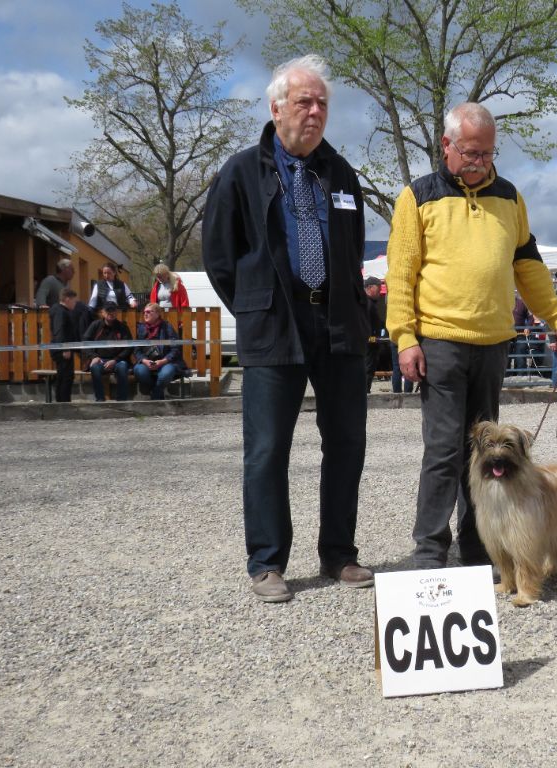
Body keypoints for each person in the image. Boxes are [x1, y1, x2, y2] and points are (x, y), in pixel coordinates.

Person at [202, 54, 373, 602]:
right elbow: (219, 257)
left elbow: (351, 249)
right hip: (275, 325)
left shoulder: (340, 172)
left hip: (338, 325)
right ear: (277, 108)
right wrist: (256, 306)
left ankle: (339, 555)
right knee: (268, 449)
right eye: (305, 102)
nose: (316, 112)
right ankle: (267, 562)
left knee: (346, 443)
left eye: (323, 103)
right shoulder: (240, 172)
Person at [385, 101, 557, 570]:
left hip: (493, 342)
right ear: (446, 146)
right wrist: (405, 338)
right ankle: (429, 549)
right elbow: (401, 272)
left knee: (487, 451)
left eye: (488, 154)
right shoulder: (418, 196)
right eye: (471, 152)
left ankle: (479, 549)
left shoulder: (510, 197)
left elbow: (527, 265)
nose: (480, 162)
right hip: (441, 343)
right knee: (444, 450)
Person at [83, 301, 134, 402]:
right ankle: (100, 399)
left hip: (118, 361)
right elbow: (85, 342)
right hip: (99, 360)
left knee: (123, 366)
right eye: (108, 310)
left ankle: (122, 400)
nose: (111, 313)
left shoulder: (123, 327)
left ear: (117, 312)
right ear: (102, 312)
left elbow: (129, 347)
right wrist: (94, 357)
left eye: (113, 310)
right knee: (94, 368)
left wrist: (115, 360)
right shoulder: (95, 325)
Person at [132, 303, 182, 400]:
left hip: (166, 362)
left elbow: (175, 349)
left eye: (149, 312)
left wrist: (162, 361)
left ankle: (155, 395)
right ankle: (157, 391)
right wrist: (144, 360)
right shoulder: (141, 328)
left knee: (165, 375)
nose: (145, 314)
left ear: (158, 314)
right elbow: (136, 349)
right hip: (147, 362)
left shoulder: (167, 327)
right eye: (144, 312)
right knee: (139, 371)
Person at [48, 287, 79, 403]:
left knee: (64, 376)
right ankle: (64, 404)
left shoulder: (58, 310)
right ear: (67, 299)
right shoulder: (60, 312)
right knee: (66, 377)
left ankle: (62, 402)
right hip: (62, 349)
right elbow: (59, 330)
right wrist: (64, 348)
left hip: (61, 347)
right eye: (74, 300)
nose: (75, 303)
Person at [364, 276, 385, 392]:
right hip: (369, 342)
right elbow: (366, 324)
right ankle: (365, 390)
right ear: (370, 288)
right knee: (367, 367)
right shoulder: (368, 303)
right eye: (379, 288)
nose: (380, 291)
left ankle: (365, 389)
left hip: (372, 341)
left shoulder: (371, 303)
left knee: (369, 367)